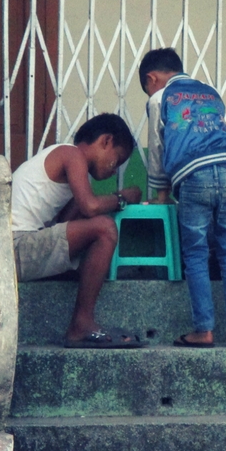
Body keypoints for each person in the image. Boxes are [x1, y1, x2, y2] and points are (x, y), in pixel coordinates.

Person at [139, 47, 226, 349]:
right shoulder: (210, 92)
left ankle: (204, 331)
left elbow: (157, 147)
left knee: (195, 253)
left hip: (193, 175)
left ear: (152, 79)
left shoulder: (158, 98)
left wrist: (161, 193)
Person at [11, 113, 144, 348]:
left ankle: (83, 322)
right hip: (14, 247)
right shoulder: (70, 154)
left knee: (92, 244)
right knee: (105, 229)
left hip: (20, 248)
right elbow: (90, 206)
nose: (114, 172)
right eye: (117, 161)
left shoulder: (74, 174)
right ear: (106, 141)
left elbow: (64, 225)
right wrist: (123, 197)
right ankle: (81, 324)